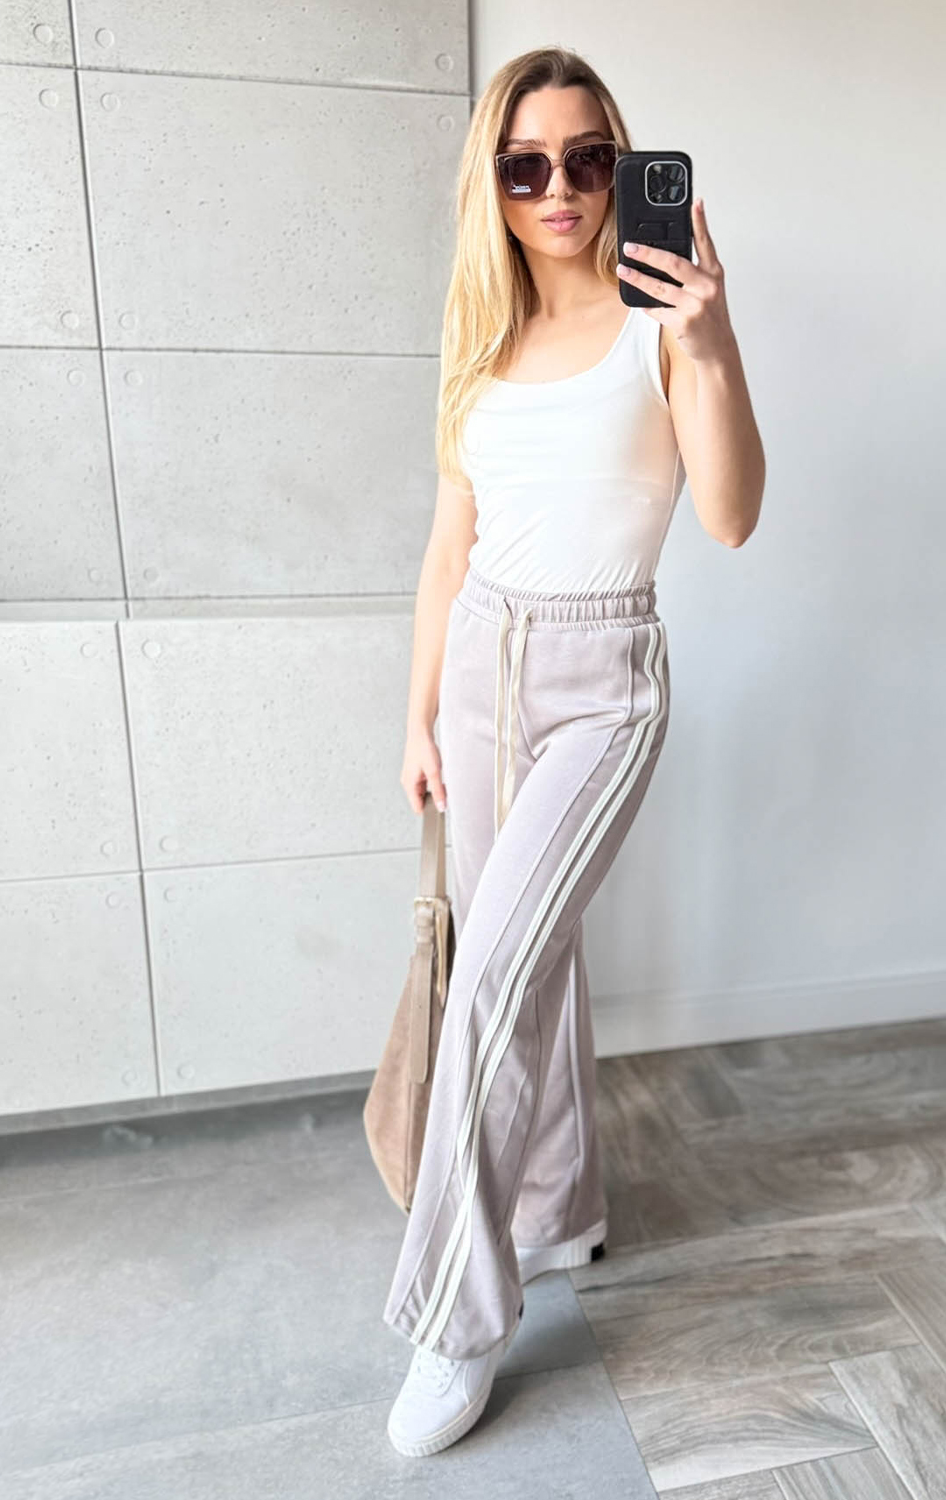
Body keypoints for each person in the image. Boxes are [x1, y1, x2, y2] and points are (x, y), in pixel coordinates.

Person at [381, 45, 765, 1458]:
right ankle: (559, 1210)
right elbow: (447, 550)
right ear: (491, 181)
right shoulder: (477, 342)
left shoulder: (660, 320)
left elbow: (731, 515)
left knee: (492, 980)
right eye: (526, 164)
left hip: (605, 681)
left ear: (623, 165)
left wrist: (711, 341)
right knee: (529, 962)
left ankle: (453, 1317)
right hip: (481, 667)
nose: (560, 188)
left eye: (589, 158)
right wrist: (418, 713)